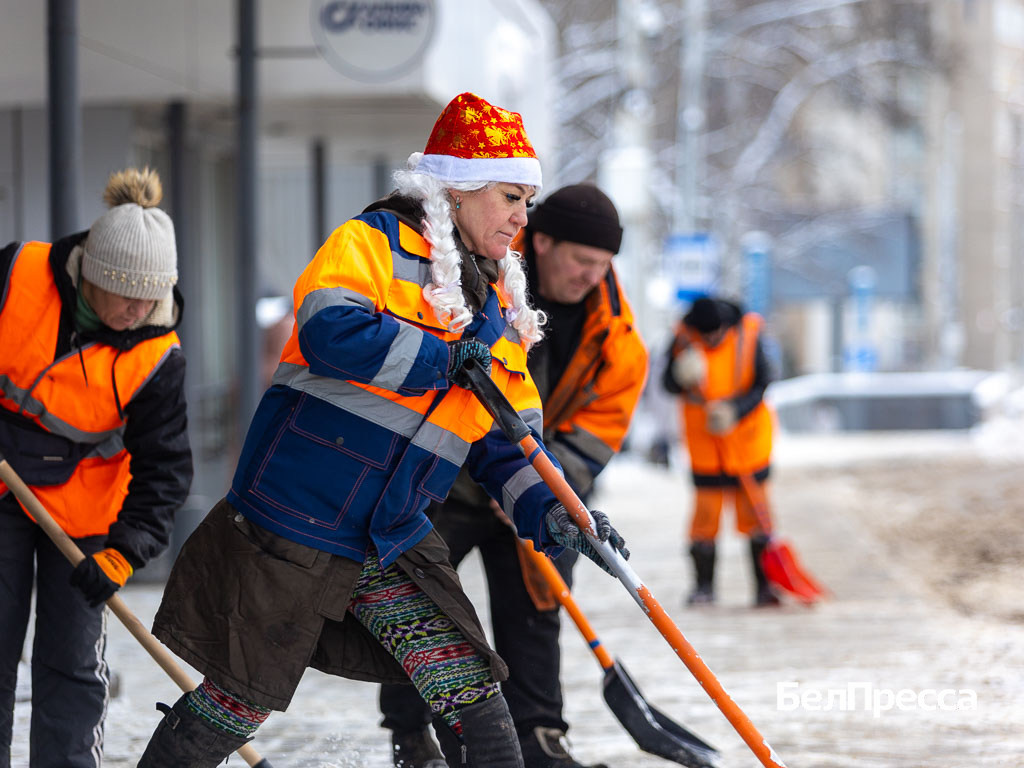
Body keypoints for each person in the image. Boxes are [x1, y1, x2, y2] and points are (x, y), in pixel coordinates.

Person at [135, 93, 629, 768]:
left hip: (390, 535)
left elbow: (509, 441)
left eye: (527, 201)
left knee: (474, 698)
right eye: (511, 196)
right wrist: (441, 359)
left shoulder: (500, 311)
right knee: (236, 700)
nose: (521, 216)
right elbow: (326, 329)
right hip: (294, 523)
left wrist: (561, 513)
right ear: (457, 189)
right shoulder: (370, 244)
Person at [379, 184, 648, 768]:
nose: (591, 276)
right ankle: (411, 734)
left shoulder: (615, 335)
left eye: (603, 266)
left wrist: (544, 486)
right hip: (446, 479)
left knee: (537, 610)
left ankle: (541, 739)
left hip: (536, 494)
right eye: (581, 261)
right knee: (421, 608)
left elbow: (598, 430)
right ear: (542, 242)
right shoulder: (483, 274)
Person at [0, 167, 193, 767]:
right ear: (92, 276)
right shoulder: (15, 277)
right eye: (128, 295)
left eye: (152, 295)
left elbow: (166, 467)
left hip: (85, 518)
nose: (141, 310)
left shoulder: (158, 355)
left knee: (74, 665)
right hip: (4, 489)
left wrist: (125, 551)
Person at [661, 295, 779, 607]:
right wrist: (679, 375)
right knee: (705, 519)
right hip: (705, 446)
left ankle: (765, 587)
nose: (711, 339)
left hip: (747, 441)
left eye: (717, 334)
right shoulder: (682, 338)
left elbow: (763, 381)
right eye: (706, 335)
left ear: (727, 326)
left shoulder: (750, 334)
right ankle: (703, 587)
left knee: (756, 516)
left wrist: (734, 410)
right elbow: (667, 385)